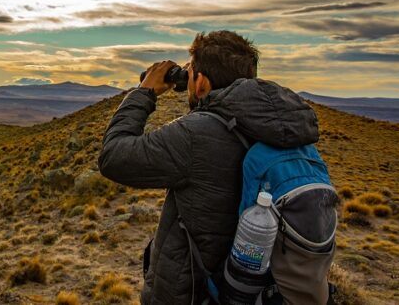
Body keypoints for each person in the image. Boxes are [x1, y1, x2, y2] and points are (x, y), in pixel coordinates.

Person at [99, 30, 322, 304]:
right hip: (256, 287)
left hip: (193, 293)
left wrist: (145, 92)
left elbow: (113, 157)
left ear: (201, 82)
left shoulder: (197, 134)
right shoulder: (279, 128)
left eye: (191, 73)